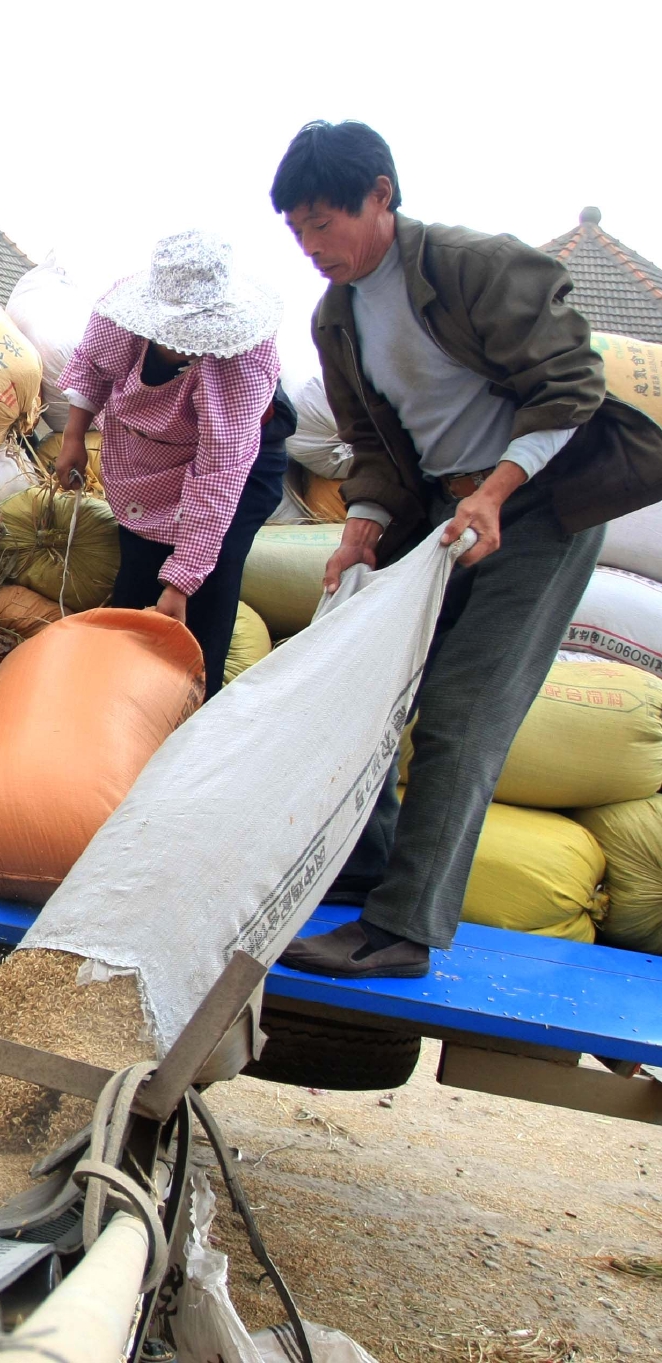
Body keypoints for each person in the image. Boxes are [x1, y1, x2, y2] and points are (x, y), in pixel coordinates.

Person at [271, 121, 662, 979]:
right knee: (365, 687)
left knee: (460, 710)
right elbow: (373, 443)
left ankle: (404, 930)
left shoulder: (472, 266)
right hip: (443, 514)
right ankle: (364, 870)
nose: (312, 246)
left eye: (325, 222)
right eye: (297, 230)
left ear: (382, 194)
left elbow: (570, 385)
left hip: (541, 510)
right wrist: (363, 528)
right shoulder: (336, 317)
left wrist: (496, 491)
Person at [56, 231, 286, 697]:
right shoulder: (122, 318)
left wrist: (182, 582)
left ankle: (192, 723)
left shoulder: (242, 365)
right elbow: (94, 367)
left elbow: (218, 476)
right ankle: (117, 709)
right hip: (149, 458)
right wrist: (74, 436)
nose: (181, 344)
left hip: (238, 472)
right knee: (137, 585)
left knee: (203, 603)